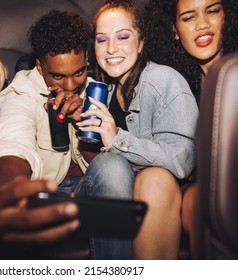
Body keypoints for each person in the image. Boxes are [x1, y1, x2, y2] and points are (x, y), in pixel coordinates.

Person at [0, 10, 138, 260]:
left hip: (87, 190)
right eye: (57, 75)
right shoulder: (22, 92)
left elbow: (100, 166)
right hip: (49, 193)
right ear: (39, 66)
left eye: (78, 72)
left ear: (87, 60)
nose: (70, 85)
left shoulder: (96, 91)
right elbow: (13, 141)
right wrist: (9, 191)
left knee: (113, 164)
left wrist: (86, 124)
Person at [76, 0, 199, 259]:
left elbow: (182, 160)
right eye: (101, 40)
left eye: (122, 36)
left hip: (156, 195)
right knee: (111, 166)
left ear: (141, 43)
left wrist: (118, 139)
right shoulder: (102, 91)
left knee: (154, 179)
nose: (111, 49)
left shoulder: (163, 80)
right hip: (112, 194)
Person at [143, 0, 238, 259]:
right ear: (174, 30)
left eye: (212, 11)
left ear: (228, 15)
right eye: (188, 17)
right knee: (196, 201)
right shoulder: (175, 90)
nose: (202, 24)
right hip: (197, 189)